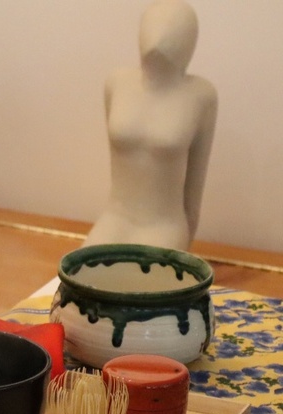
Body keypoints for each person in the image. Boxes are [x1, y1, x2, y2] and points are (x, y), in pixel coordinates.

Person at [84, 0, 217, 251]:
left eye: (177, 30)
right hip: (114, 218)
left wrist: (181, 254)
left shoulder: (200, 96)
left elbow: (194, 189)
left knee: (140, 287)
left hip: (164, 227)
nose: (159, 37)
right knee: (78, 281)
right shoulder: (117, 83)